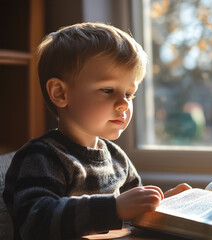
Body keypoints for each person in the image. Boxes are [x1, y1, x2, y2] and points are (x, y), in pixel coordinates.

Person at [3, 22, 191, 240]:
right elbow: (35, 221)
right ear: (60, 93)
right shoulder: (42, 156)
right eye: (108, 90)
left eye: (129, 94)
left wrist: (162, 204)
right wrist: (114, 208)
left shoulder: (117, 158)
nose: (124, 104)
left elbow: (132, 216)